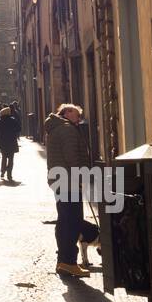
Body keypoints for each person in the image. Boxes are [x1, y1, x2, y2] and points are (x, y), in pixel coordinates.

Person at [44, 103, 92, 278]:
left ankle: (63, 261)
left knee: (64, 221)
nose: (79, 119)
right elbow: (73, 158)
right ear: (68, 113)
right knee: (73, 221)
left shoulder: (57, 128)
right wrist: (81, 179)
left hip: (60, 180)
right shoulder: (67, 130)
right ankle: (69, 262)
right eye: (77, 115)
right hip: (69, 181)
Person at [0, 105, 21, 181]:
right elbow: (19, 128)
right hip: (12, 141)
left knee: (4, 157)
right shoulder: (13, 120)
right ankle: (9, 174)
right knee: (11, 158)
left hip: (3, 142)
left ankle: (3, 171)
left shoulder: (0, 121)